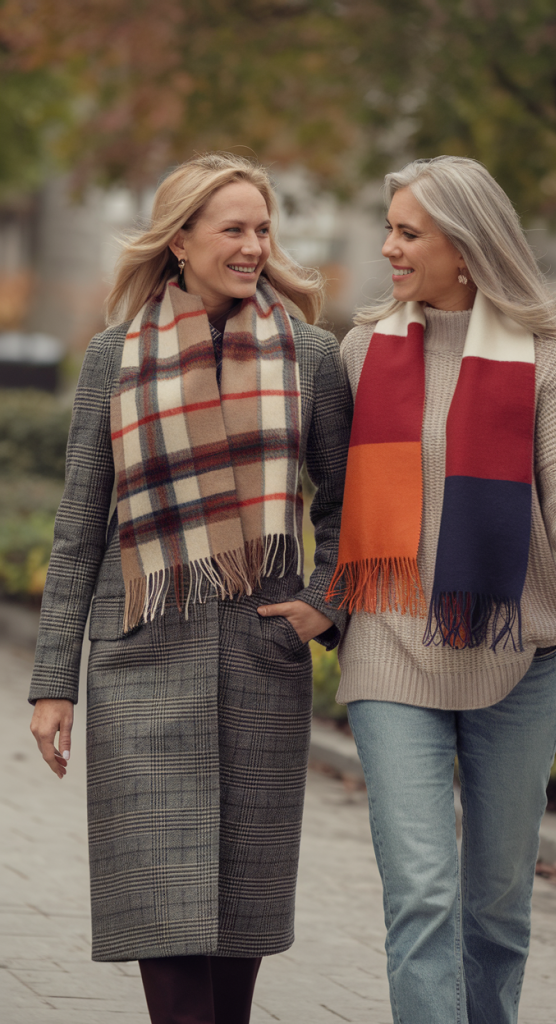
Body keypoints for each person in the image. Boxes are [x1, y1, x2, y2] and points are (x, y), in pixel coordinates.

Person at [28, 152, 351, 1024]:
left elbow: (350, 504)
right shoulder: (113, 358)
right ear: (180, 241)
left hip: (259, 655)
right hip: (140, 660)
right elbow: (80, 523)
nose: (254, 246)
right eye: (233, 229)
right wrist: (55, 679)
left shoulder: (310, 358)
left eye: (262, 229)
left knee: (240, 918)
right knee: (161, 913)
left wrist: (321, 607)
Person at [327, 155, 556, 1024]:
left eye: (407, 231)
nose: (387, 245)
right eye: (388, 227)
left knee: (496, 909)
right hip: (392, 651)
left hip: (516, 659)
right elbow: (323, 496)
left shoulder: (544, 357)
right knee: (422, 897)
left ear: (464, 251)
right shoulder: (362, 352)